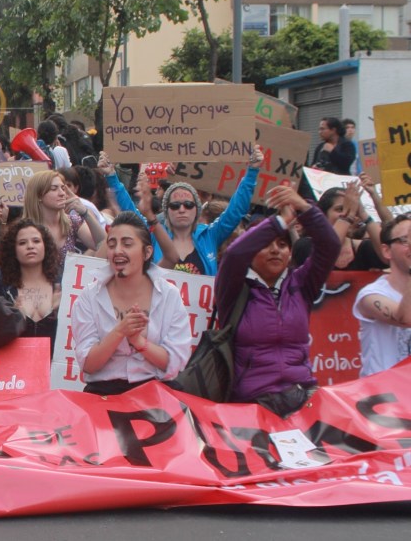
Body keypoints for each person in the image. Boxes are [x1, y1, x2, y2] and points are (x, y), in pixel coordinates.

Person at [216, 185, 340, 416]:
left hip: (303, 394)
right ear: (251, 252)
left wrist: (303, 208)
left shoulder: (302, 283)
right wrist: (280, 222)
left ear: (291, 253)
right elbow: (234, 254)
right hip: (252, 401)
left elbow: (330, 245)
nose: (275, 250)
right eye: (266, 244)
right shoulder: (234, 288)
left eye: (282, 245)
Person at [72, 212, 192, 395]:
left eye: (127, 244)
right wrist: (120, 332)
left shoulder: (169, 295)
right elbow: (89, 365)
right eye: (112, 245)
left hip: (157, 393)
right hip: (103, 393)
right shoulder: (89, 297)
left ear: (147, 252)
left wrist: (139, 342)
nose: (118, 250)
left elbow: (175, 362)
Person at [102, 147, 262, 276]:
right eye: (175, 205)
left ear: (197, 210)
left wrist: (252, 172)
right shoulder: (154, 233)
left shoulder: (210, 235)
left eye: (188, 204)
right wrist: (111, 175)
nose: (182, 209)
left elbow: (235, 211)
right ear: (166, 212)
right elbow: (130, 212)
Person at [13, 170, 105, 272]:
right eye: (54, 189)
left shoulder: (72, 222)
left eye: (63, 188)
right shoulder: (24, 229)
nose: (62, 194)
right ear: (39, 195)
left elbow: (102, 245)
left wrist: (85, 213)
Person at [354, 215, 411, 376]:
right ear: (387, 250)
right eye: (405, 240)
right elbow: (406, 318)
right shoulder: (371, 294)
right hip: (384, 394)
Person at [0, 220, 61, 345]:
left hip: (54, 363)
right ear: (13, 250)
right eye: (22, 243)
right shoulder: (3, 288)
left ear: (45, 246)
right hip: (17, 362)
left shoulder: (61, 285)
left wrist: (60, 312)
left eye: (36, 241)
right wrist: (12, 320)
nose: (30, 246)